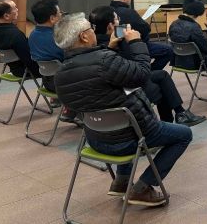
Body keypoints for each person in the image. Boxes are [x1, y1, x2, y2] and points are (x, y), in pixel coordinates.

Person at [54, 12, 192, 206]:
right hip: (131, 138)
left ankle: (122, 181)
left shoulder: (61, 73)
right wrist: (136, 43)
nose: (94, 31)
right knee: (184, 134)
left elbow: (87, 87)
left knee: (119, 119)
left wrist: (109, 48)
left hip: (96, 139)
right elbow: (142, 75)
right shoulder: (105, 61)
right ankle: (143, 187)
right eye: (91, 29)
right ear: (84, 37)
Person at [89, 6, 205, 126]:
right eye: (117, 19)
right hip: (126, 90)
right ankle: (172, 120)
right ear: (110, 26)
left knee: (162, 75)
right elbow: (136, 67)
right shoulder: (117, 43)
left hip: (116, 86)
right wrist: (135, 42)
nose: (120, 21)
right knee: (161, 86)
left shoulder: (93, 43)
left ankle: (178, 115)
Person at [110, 0, 173, 71]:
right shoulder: (129, 12)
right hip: (132, 47)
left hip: (115, 49)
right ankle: (149, 72)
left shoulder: (108, 11)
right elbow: (146, 29)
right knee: (168, 50)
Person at [0, 0, 43, 83]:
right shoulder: (16, 35)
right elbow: (29, 60)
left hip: (13, 68)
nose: (17, 10)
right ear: (6, 16)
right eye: (15, 8)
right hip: (26, 71)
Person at [28, 0, 63, 95]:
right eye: (60, 13)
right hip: (63, 84)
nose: (61, 15)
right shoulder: (57, 39)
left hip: (46, 83)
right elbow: (69, 60)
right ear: (52, 18)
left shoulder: (32, 35)